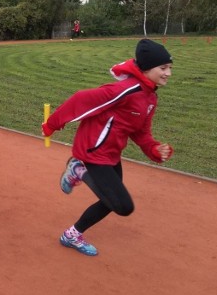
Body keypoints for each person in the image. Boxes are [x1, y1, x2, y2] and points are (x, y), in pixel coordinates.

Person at [42, 38, 174, 257]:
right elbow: (81, 100)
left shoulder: (149, 96)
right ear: (148, 68)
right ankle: (78, 170)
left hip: (111, 153)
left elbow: (140, 132)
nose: (168, 73)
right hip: (93, 151)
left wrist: (154, 149)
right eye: (163, 68)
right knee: (123, 206)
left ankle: (72, 235)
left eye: (170, 67)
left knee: (110, 200)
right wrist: (51, 125)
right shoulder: (125, 90)